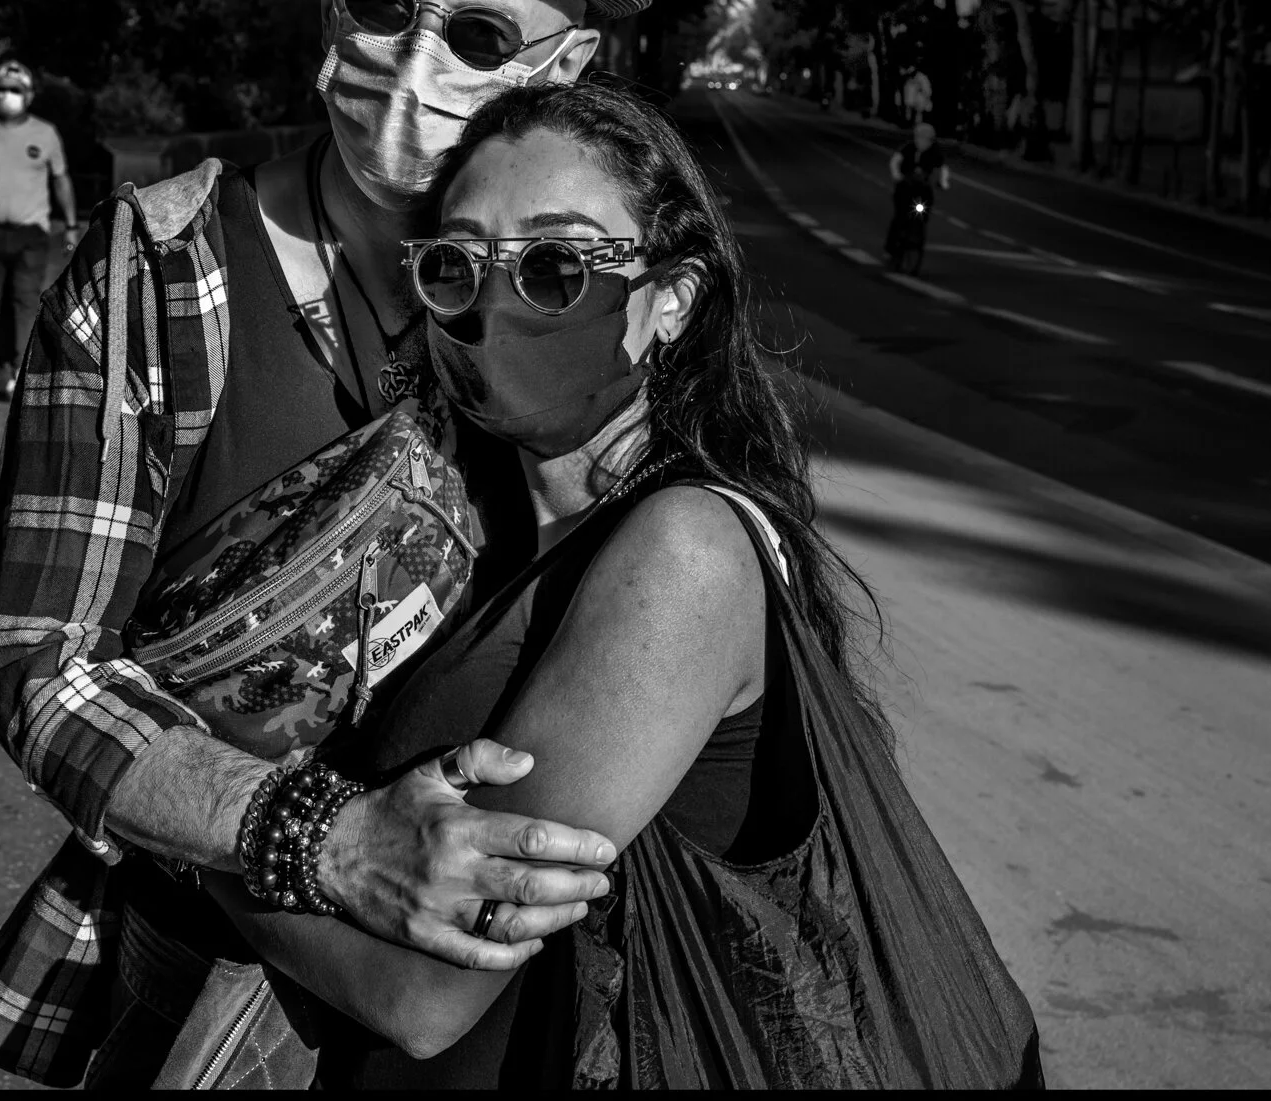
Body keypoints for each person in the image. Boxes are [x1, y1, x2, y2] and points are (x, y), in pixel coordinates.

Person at [0, 0, 654, 1088]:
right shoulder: (158, 273)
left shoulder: (592, 298)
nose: (413, 65)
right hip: (209, 941)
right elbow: (40, 668)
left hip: (500, 992)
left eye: (481, 32)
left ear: (563, 68)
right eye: (382, 6)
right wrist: (326, 840)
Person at [191, 82, 1044, 1087]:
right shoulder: (473, 528)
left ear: (669, 300)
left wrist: (188, 822)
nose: (495, 304)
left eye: (553, 266)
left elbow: (423, 995)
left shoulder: (680, 551)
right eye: (457, 265)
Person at [0, 59, 77, 400]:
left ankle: (20, 367)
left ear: (29, 95)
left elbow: (60, 179)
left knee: (23, 301)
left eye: (15, 91)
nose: (7, 96)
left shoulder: (45, 134)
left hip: (31, 235)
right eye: (1, 89)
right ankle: (3, 365)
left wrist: (69, 225)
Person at [886, 120, 950, 257]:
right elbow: (895, 161)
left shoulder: (934, 152)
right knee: (900, 215)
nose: (924, 142)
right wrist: (897, 175)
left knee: (925, 207)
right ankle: (890, 247)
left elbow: (943, 168)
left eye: (928, 139)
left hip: (922, 187)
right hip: (905, 186)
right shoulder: (908, 148)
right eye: (921, 138)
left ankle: (917, 231)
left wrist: (943, 182)